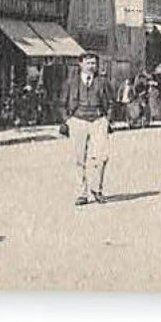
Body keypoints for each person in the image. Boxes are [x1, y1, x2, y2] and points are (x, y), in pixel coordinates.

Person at [61, 52, 118, 206]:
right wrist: (67, 120)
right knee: (79, 158)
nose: (92, 66)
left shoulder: (103, 82)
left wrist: (108, 120)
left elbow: (112, 103)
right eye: (88, 63)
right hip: (78, 120)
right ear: (81, 64)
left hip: (98, 120)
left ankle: (97, 189)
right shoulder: (71, 82)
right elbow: (62, 103)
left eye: (94, 63)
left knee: (102, 156)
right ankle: (82, 193)